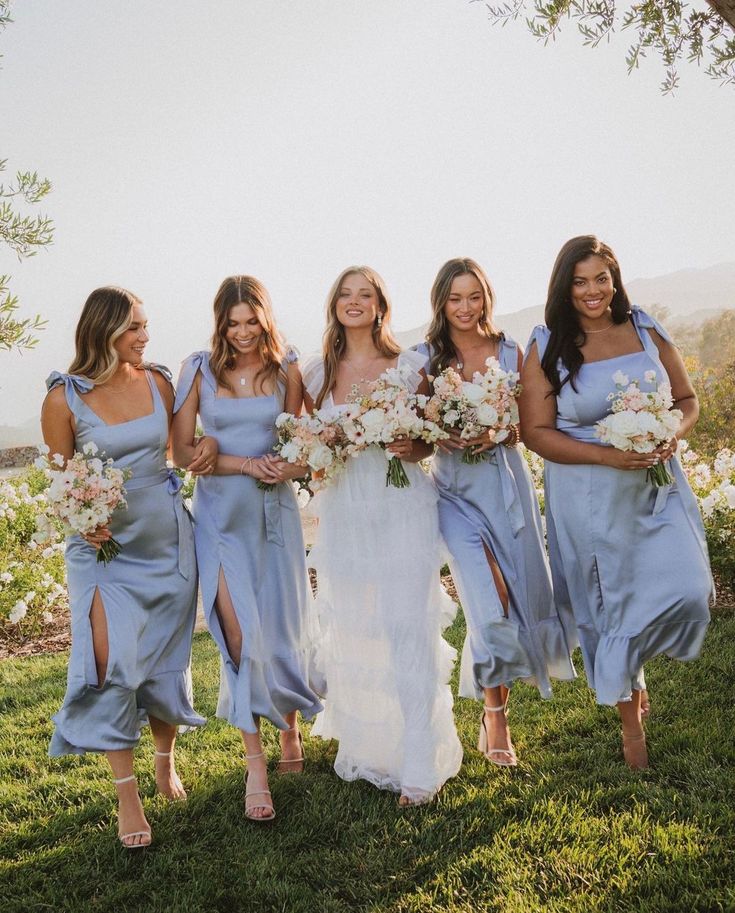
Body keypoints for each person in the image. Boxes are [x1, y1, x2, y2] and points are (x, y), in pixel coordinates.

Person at [520, 236, 713, 769]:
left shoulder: (645, 329)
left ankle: (635, 672)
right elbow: (534, 432)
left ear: (615, 278)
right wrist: (604, 457)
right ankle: (632, 729)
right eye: (580, 281)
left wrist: (672, 431)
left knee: (690, 590)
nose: (592, 291)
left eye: (601, 278)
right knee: (613, 605)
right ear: (564, 286)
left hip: (657, 487)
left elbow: (687, 399)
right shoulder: (548, 345)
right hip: (589, 496)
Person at [41, 287, 210, 848]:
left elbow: (183, 453)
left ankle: (164, 760)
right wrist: (80, 519)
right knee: (112, 660)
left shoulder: (160, 382)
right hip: (103, 552)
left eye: (146, 325)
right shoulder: (64, 400)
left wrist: (213, 453)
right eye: (135, 327)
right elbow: (61, 485)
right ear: (104, 330)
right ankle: (126, 795)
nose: (145, 335)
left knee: (164, 660)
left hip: (165, 539)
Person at [302, 265, 463, 806]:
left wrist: (418, 447)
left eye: (364, 294)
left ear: (380, 305)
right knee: (358, 626)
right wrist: (322, 451)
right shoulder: (315, 375)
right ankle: (372, 746)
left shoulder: (410, 364)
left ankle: (420, 760)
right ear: (334, 304)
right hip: (347, 511)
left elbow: (433, 436)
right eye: (344, 294)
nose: (354, 302)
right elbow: (308, 448)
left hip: (402, 507)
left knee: (404, 624)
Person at [414, 258, 576, 768]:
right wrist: (441, 434)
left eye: (474, 296)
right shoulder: (425, 358)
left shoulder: (513, 350)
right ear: (441, 302)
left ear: (487, 297)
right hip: (454, 495)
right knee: (489, 597)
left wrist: (499, 431)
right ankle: (496, 717)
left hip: (506, 487)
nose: (465, 308)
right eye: (455, 298)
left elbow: (533, 424)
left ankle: (493, 708)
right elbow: (415, 438)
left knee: (513, 599)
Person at [172, 275, 322, 822]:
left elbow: (307, 447)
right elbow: (183, 450)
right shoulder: (198, 370)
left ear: (265, 318)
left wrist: (287, 466)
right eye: (232, 323)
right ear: (220, 323)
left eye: (250, 321)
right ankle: (254, 763)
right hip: (221, 517)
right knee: (238, 633)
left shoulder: (288, 369)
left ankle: (289, 730)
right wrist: (237, 461)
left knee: (280, 626)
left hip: (274, 515)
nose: (241, 332)